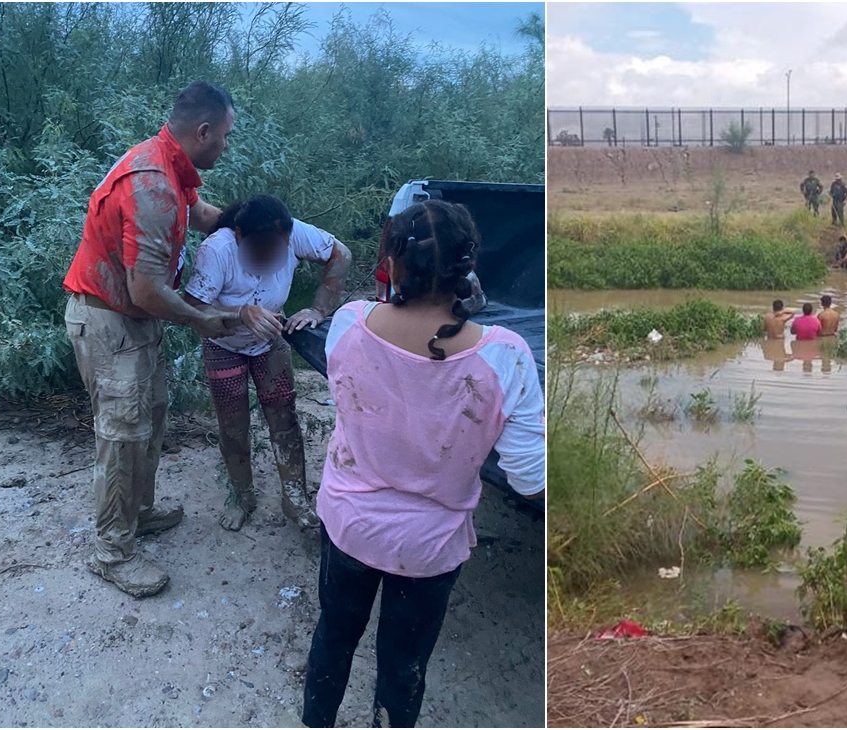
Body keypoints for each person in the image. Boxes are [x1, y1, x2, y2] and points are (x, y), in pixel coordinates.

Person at [302, 199, 545, 728]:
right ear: (469, 266)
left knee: (334, 638)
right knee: (403, 664)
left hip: (349, 524)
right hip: (429, 547)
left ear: (389, 260)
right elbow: (530, 481)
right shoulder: (506, 355)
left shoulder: (346, 324)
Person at [62, 81, 239, 598]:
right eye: (224, 137)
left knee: (151, 415)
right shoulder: (153, 184)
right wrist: (203, 319)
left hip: (132, 320)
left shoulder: (170, 164)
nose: (225, 146)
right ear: (202, 132)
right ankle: (112, 552)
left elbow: (201, 214)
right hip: (111, 320)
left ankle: (138, 512)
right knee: (122, 436)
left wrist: (254, 219)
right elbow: (147, 289)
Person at [183, 195, 353, 532]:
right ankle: (241, 494)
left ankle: (295, 496)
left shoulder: (293, 233)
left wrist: (318, 308)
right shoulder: (218, 249)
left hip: (270, 339)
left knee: (284, 417)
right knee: (233, 425)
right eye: (260, 250)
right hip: (223, 344)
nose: (268, 258)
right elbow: (190, 310)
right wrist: (241, 314)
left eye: (275, 250)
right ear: (240, 237)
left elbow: (341, 255)